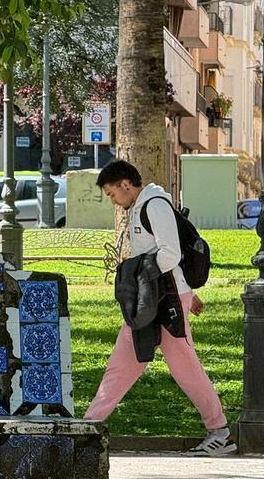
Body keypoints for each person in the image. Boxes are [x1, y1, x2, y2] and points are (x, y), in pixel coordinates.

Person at [84, 159, 234, 456]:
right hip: (160, 298)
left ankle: (221, 432)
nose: (113, 201)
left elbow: (170, 254)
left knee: (180, 367)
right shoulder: (145, 205)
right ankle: (88, 426)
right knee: (125, 361)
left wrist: (134, 269)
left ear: (126, 184)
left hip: (164, 301)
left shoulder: (154, 205)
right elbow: (165, 257)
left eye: (112, 193)